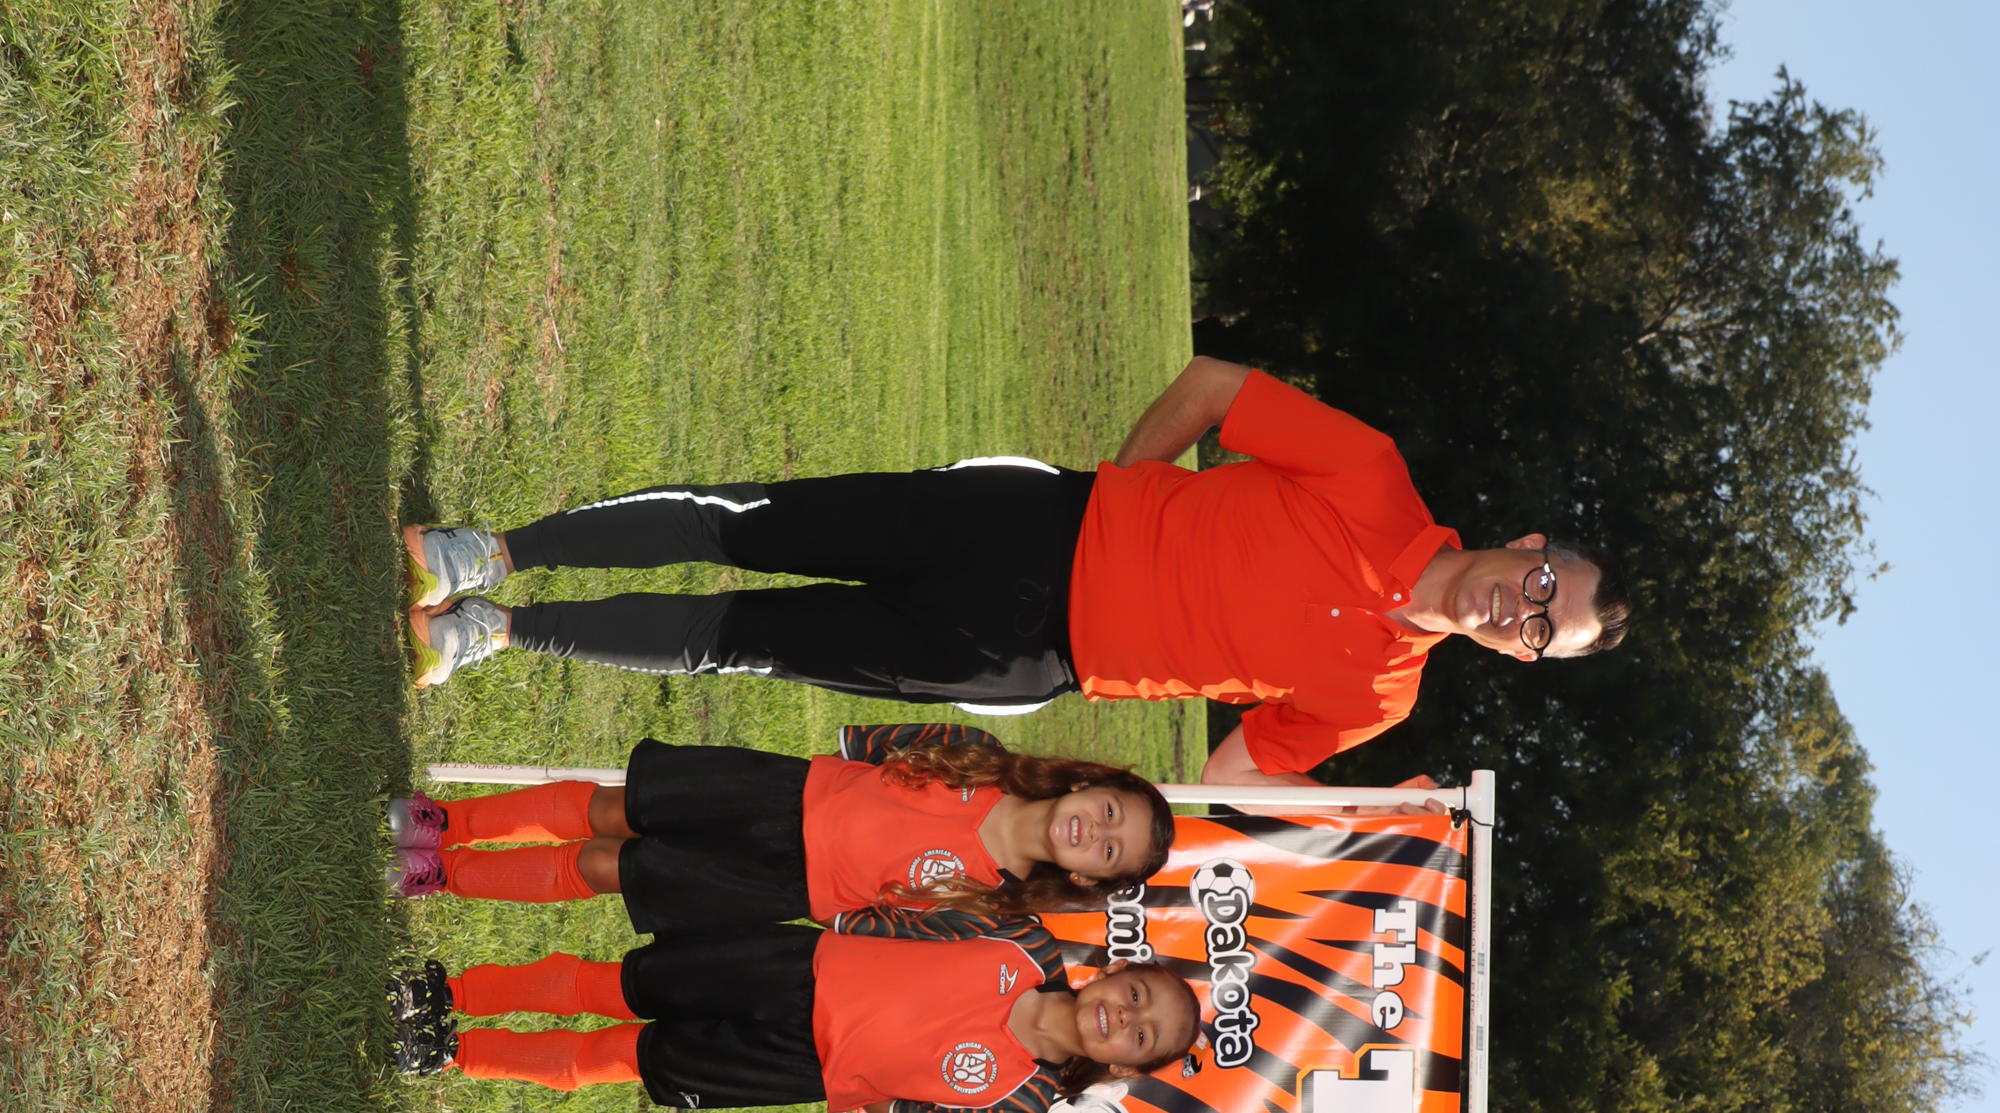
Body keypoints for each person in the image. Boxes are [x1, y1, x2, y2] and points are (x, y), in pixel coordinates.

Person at [399, 358, 1632, 782]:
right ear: (1529, 550)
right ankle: (485, 552)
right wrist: (1126, 485)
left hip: (1024, 659)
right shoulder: (1371, 474)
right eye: (1541, 592)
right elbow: (1216, 389)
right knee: (745, 526)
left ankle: (493, 632)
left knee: (740, 641)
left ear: (1522, 658)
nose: (1518, 612)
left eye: (1540, 632)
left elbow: (1233, 780)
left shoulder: (1380, 698)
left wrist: (1347, 841)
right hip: (1026, 525)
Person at [382, 909, 1200, 1113]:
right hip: (797, 970)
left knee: (619, 1057)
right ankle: (451, 997)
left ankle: (453, 1054)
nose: (1122, 1020)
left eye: (1142, 1037)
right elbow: (907, 912)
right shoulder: (1021, 940)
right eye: (1135, 997)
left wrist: (857, 1074)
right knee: (614, 985)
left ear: (1124, 1066)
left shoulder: (1019, 1102)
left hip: (795, 1068)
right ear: (1115, 971)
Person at [382, 726, 1173, 923]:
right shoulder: (981, 754)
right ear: (1089, 782)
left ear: (1088, 877)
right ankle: (446, 819)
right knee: (613, 808)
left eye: (1109, 851)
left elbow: (885, 933)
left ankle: (445, 873)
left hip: (780, 883)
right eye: (1109, 812)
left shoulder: (993, 906)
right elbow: (871, 744)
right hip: (781, 793)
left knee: (607, 866)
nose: (1093, 832)